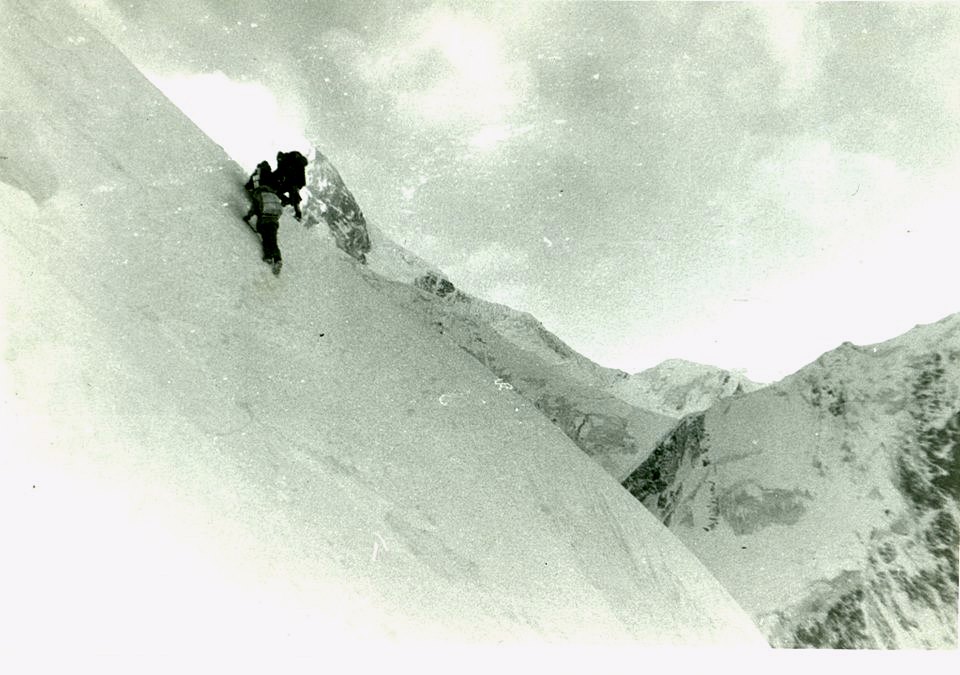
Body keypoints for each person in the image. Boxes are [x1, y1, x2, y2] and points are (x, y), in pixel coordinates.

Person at [243, 183, 284, 275]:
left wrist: (248, 217)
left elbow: (253, 209)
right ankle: (277, 258)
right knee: (273, 240)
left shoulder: (259, 194)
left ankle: (268, 256)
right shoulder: (273, 196)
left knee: (266, 239)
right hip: (274, 222)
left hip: (264, 221)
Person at [274, 150, 308, 220]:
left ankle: (297, 213)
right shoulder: (288, 160)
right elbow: (279, 172)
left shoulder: (291, 161)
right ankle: (289, 203)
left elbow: (279, 172)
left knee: (293, 196)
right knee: (280, 192)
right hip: (290, 181)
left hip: (292, 182)